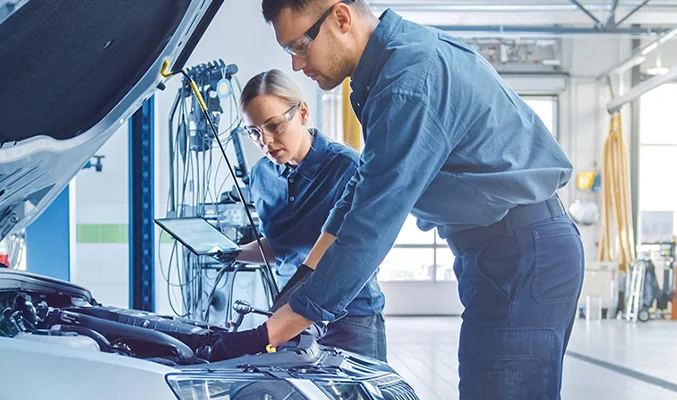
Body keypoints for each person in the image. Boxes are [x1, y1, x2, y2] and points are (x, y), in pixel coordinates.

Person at [209, 1, 584, 398]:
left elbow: (371, 225)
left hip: (521, 251)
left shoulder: (408, 82)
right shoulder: (391, 70)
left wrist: (267, 335)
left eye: (300, 46)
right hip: (501, 251)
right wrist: (303, 279)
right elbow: (359, 192)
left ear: (341, 18)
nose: (297, 65)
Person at [222, 69, 388, 361]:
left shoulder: (347, 167)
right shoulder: (261, 175)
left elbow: (356, 250)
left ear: (302, 113)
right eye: (254, 132)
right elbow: (281, 246)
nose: (265, 141)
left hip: (348, 319)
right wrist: (231, 253)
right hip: (290, 316)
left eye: (274, 126)